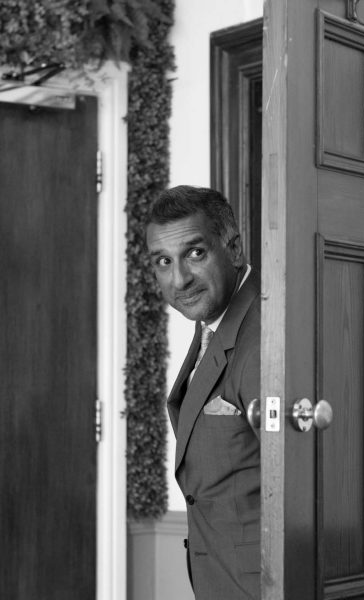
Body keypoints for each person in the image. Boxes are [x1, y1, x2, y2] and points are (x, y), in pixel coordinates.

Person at [145, 185, 261, 600]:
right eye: (163, 262)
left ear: (232, 249)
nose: (179, 279)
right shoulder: (212, 326)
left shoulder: (267, 333)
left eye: (195, 254)